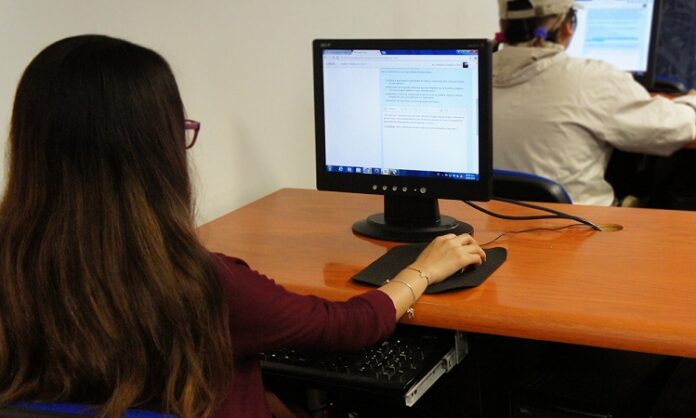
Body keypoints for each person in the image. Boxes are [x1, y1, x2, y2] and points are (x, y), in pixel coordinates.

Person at [0, 35, 486, 418]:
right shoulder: (200, 286)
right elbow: (347, 326)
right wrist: (421, 271)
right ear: (155, 154)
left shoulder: (15, 272)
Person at [493, 0, 696, 206]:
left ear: (502, 24)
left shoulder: (477, 69)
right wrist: (691, 102)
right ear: (568, 25)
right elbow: (675, 129)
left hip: (488, 222)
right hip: (578, 222)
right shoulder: (593, 78)